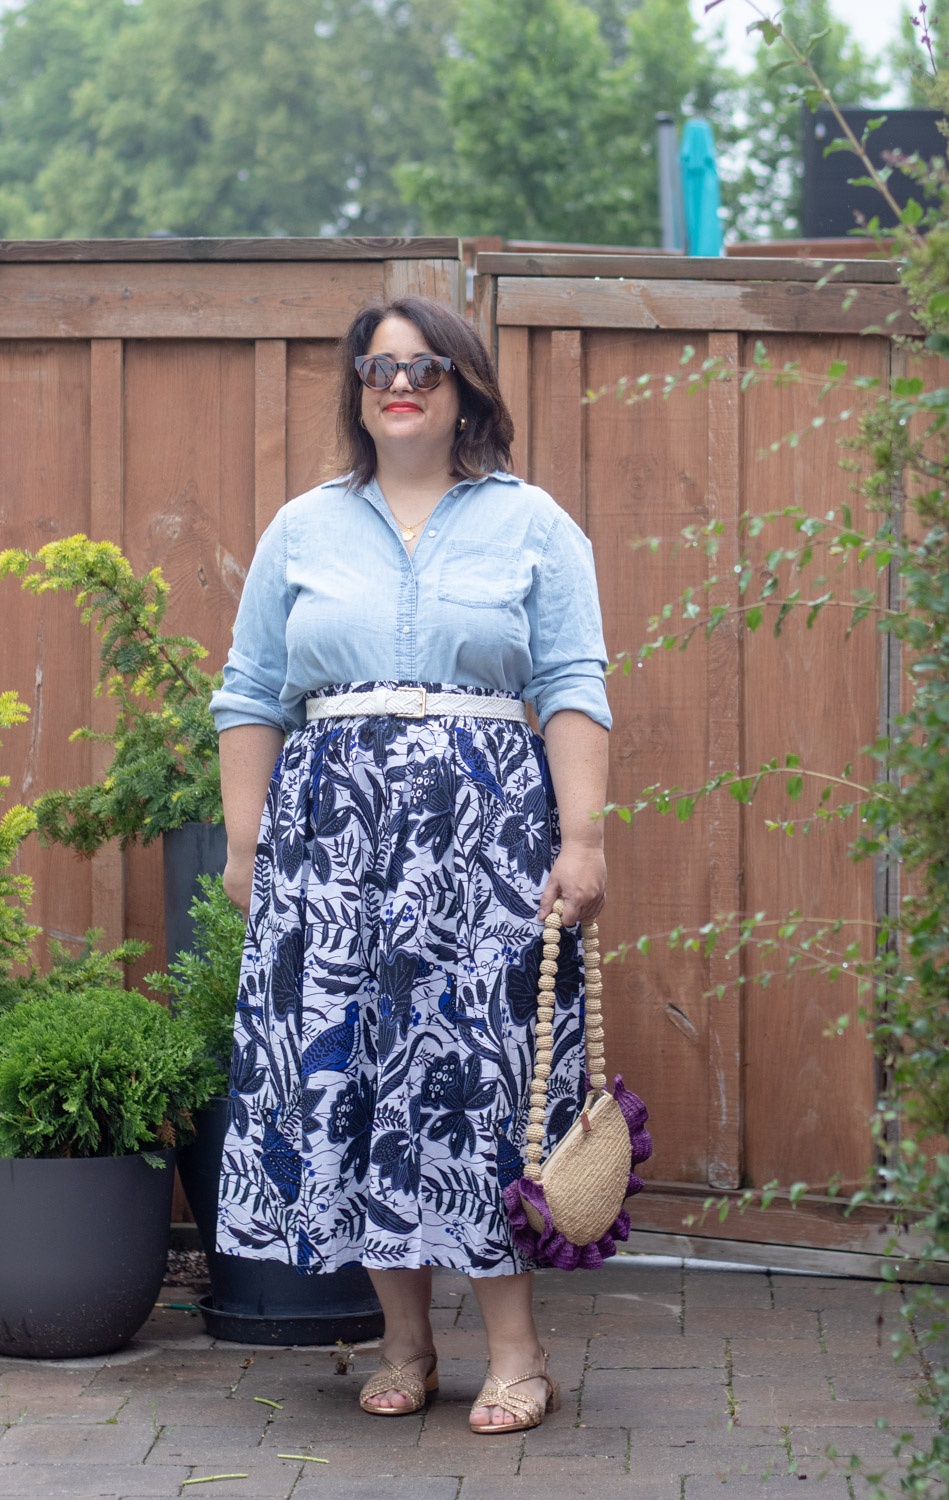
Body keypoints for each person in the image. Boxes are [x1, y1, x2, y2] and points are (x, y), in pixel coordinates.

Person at [209, 294, 611, 1434]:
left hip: (484, 850)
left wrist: (581, 841)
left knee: (478, 1085)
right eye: (379, 368)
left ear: (466, 385)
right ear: (357, 389)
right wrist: (248, 849)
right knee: (355, 1081)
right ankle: (402, 1342)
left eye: (424, 367)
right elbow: (248, 696)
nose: (399, 384)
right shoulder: (303, 529)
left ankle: (517, 1353)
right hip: (331, 854)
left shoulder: (534, 525)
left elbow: (572, 683)